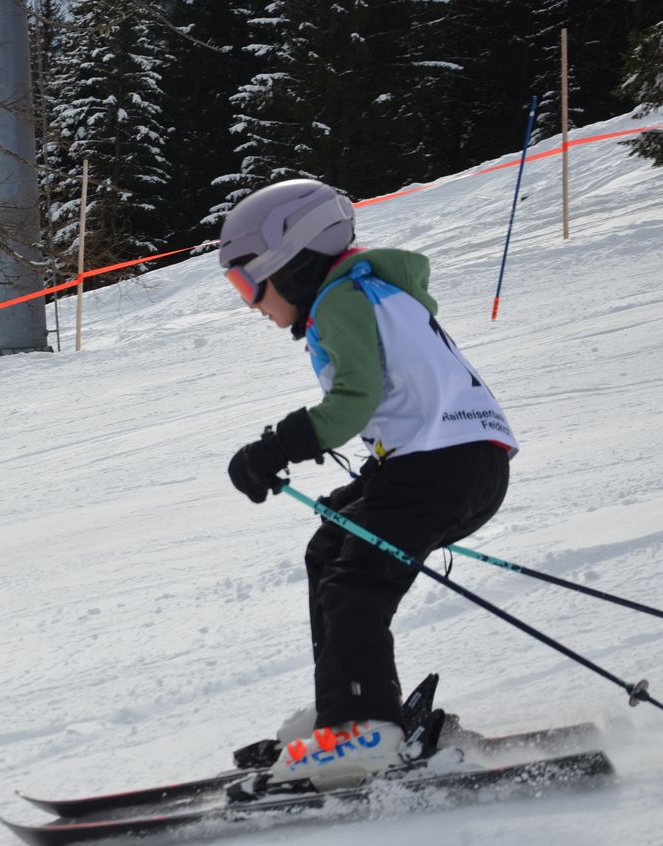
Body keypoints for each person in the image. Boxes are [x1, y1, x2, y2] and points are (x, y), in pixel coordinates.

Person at [218, 178, 518, 790]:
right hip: (454, 461)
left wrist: (276, 447)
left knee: (355, 584)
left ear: (292, 263)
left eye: (247, 282)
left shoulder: (340, 301)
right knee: (331, 548)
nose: (249, 302)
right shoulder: (371, 291)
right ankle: (346, 707)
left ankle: (362, 731)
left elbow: (357, 400)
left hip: (443, 465)